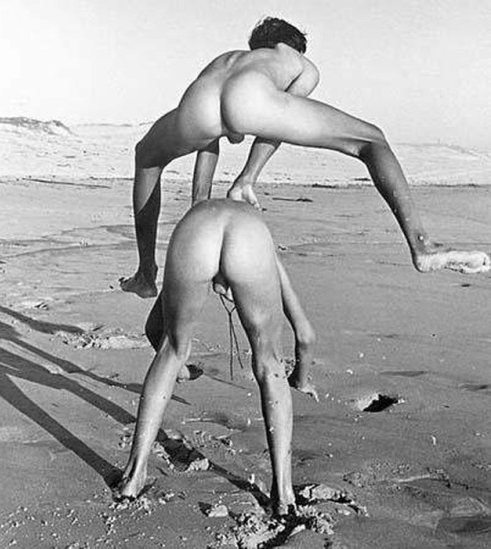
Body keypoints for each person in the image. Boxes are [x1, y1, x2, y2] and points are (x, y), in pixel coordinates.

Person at [120, 17, 490, 298]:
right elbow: (278, 121)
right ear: (293, 45)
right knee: (372, 141)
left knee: (146, 158)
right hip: (252, 98)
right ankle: (422, 245)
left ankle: (146, 272)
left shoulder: (227, 59)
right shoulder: (296, 61)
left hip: (198, 104)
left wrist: (199, 205)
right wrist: (248, 177)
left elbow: (210, 141)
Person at [116, 198, 316, 516]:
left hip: (196, 231)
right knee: (269, 365)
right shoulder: (264, 247)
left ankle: (133, 475)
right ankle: (283, 493)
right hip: (248, 239)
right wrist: (301, 378)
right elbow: (304, 336)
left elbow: (154, 329)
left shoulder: (207, 216)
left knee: (171, 350)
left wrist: (179, 366)